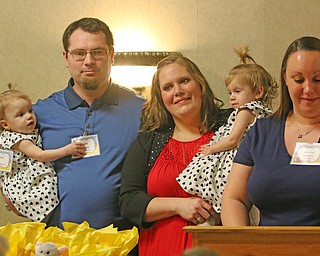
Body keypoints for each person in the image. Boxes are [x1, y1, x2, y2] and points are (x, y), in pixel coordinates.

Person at [32, 18, 145, 229]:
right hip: (57, 243)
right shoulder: (39, 113)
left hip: (122, 243)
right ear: (66, 57)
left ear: (112, 55)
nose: (88, 61)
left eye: (98, 52)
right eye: (79, 53)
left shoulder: (143, 111)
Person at [119, 54, 233, 256]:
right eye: (168, 87)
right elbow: (129, 202)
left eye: (184, 81)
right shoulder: (149, 141)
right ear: (161, 97)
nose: (178, 91)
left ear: (199, 83)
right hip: (160, 248)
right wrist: (180, 205)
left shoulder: (230, 127)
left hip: (221, 248)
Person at [221, 36, 320, 226]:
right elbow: (235, 199)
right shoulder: (261, 132)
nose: (308, 89)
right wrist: (242, 249)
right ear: (285, 79)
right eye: (299, 79)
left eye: (318, 79)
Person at [177, 47, 277, 225]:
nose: (231, 97)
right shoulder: (266, 114)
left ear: (258, 92)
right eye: (230, 92)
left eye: (238, 91)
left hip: (235, 156)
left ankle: (213, 213)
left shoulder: (246, 111)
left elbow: (233, 139)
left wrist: (211, 148)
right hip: (254, 158)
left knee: (213, 178)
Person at [0, 88, 86, 222]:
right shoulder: (19, 140)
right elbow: (40, 156)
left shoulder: (26, 132)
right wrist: (67, 150)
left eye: (30, 111)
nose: (29, 116)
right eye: (20, 114)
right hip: (24, 183)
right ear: (5, 124)